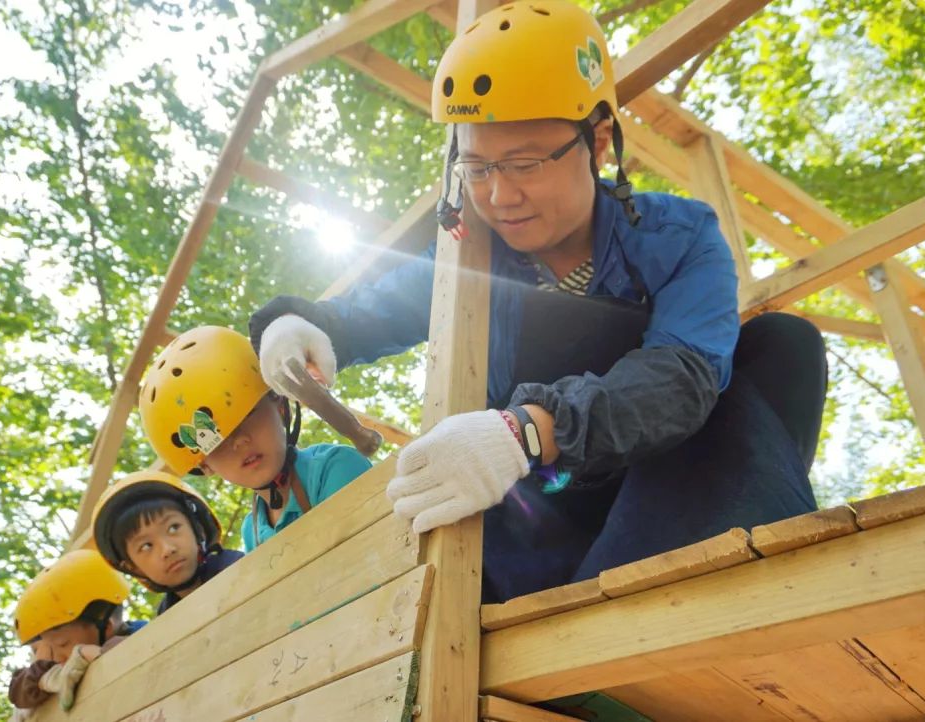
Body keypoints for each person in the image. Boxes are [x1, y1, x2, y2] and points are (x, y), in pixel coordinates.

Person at [249, 0, 826, 603]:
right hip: (539, 516)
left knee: (783, 347)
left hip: (668, 493)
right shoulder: (469, 254)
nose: (500, 196)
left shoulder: (678, 237)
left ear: (598, 141)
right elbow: (371, 312)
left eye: (524, 163)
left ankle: (739, 572)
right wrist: (297, 328)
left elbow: (683, 376)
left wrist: (526, 430)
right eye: (476, 168)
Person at [138, 326, 371, 552]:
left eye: (247, 414)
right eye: (215, 439)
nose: (239, 441)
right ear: (204, 464)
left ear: (279, 406)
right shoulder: (253, 531)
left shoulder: (334, 469)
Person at [9, 549, 144, 711]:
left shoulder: (144, 635)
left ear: (106, 627)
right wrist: (43, 678)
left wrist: (103, 653)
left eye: (62, 644)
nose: (57, 657)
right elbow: (17, 689)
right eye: (51, 647)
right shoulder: (64, 662)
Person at [92, 470, 243, 614]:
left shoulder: (238, 568)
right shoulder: (166, 616)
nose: (167, 549)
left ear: (198, 528)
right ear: (133, 568)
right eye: (146, 546)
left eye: (173, 528)